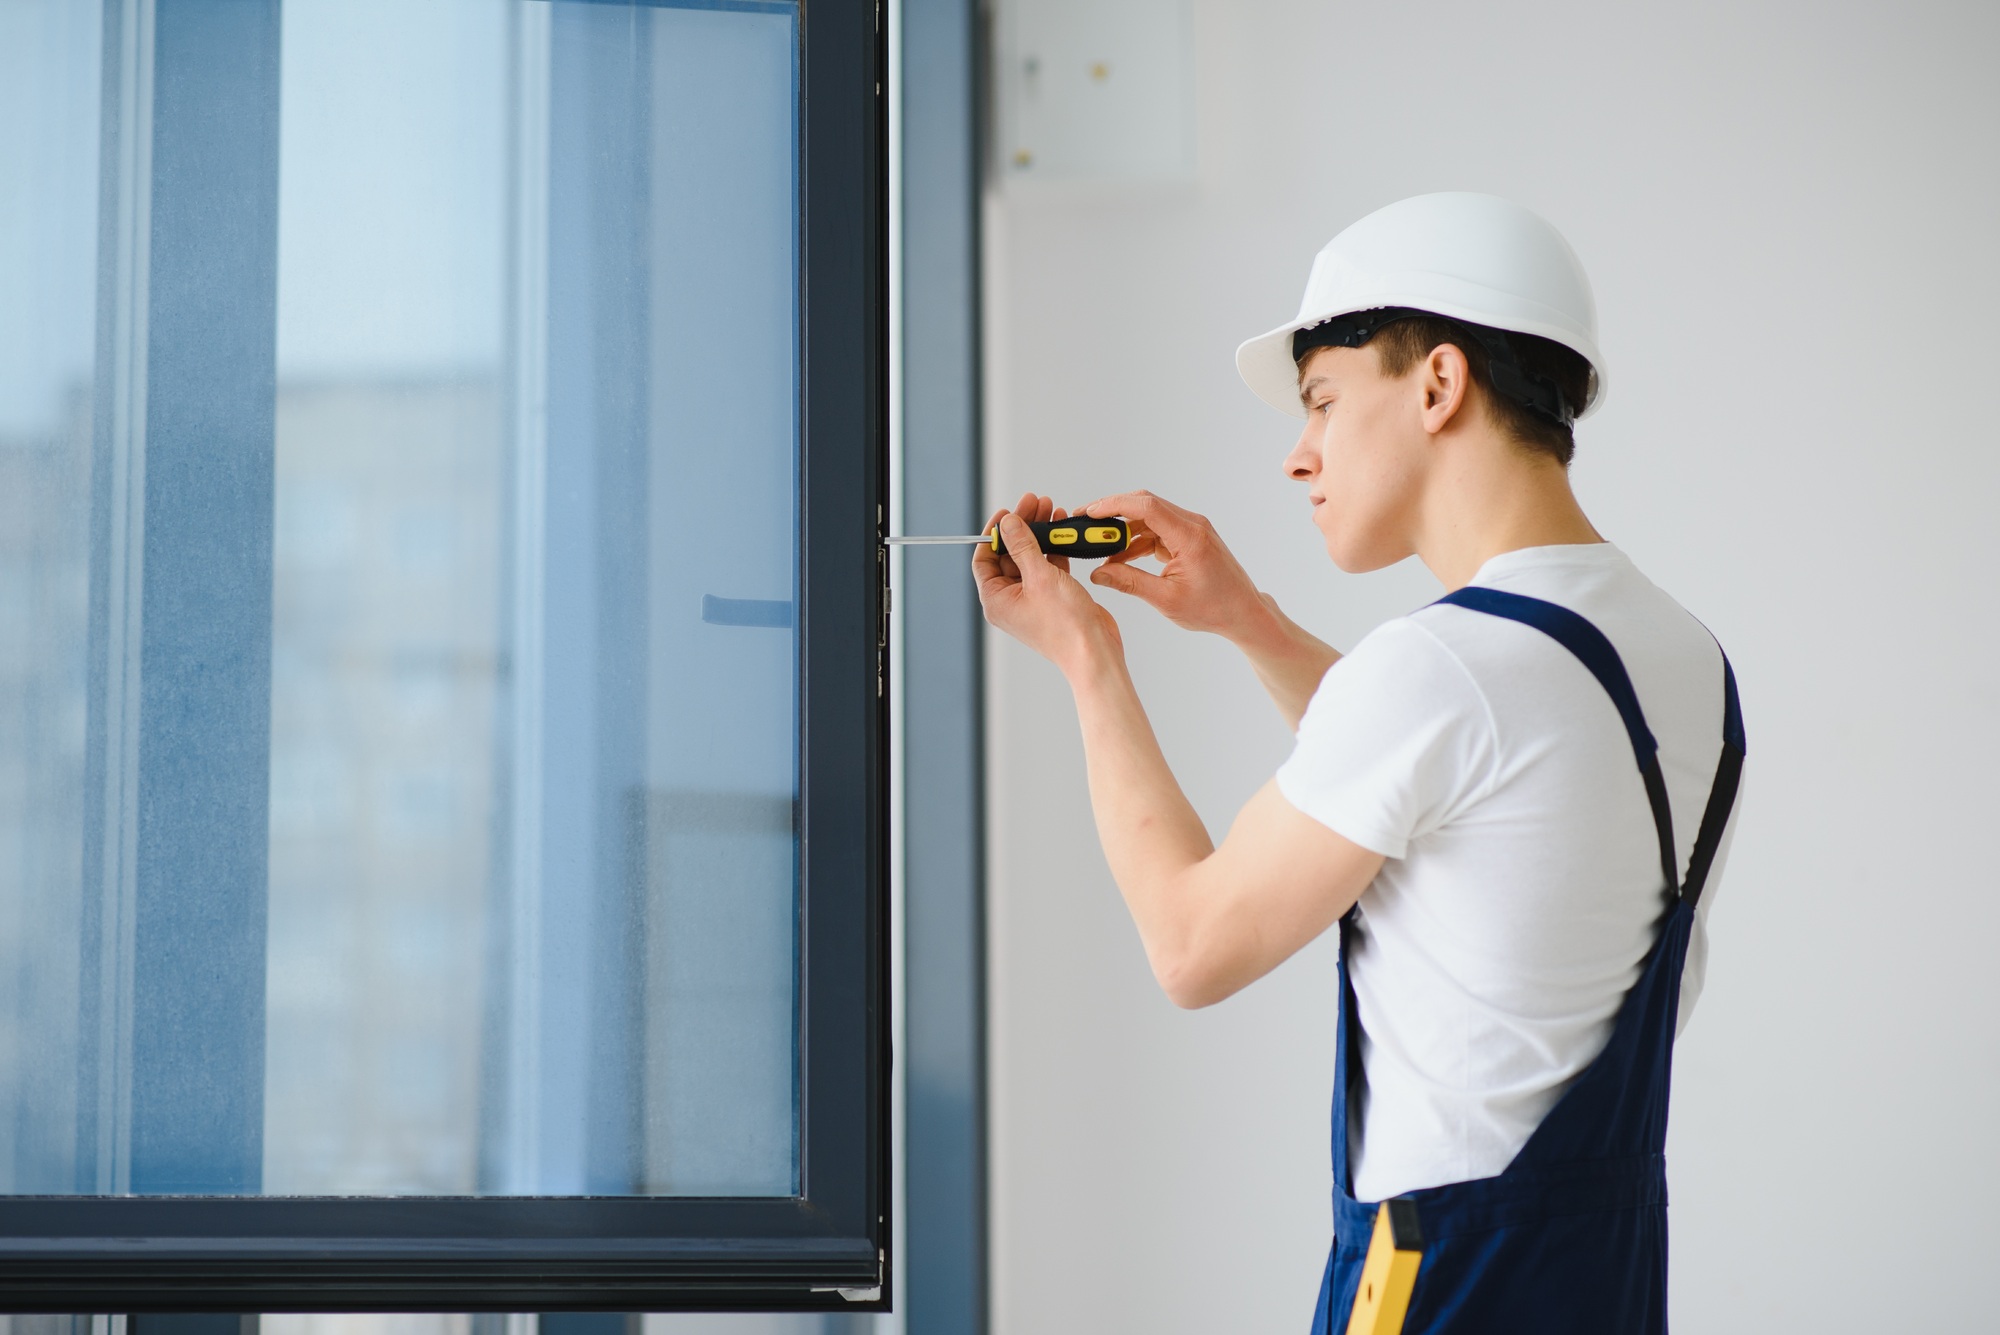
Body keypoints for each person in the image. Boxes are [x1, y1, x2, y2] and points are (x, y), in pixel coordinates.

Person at [972, 192, 1745, 1333]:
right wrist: (1248, 621)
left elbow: (1190, 946)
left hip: (1437, 1289)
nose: (1297, 457)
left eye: (1322, 401)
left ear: (1437, 386)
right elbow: (1479, 789)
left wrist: (1089, 660)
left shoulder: (1435, 670)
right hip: (1604, 1285)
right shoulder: (1684, 660)